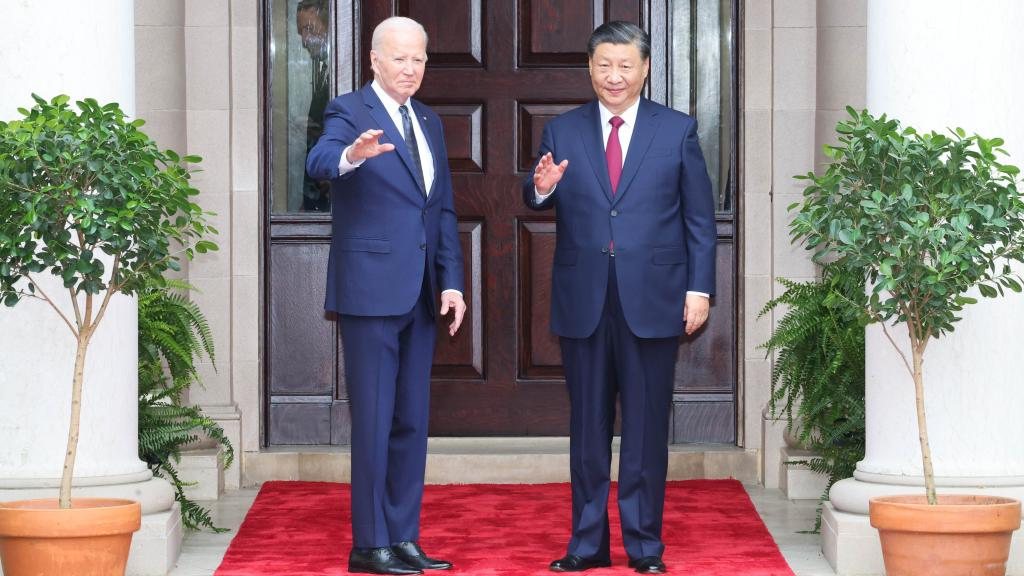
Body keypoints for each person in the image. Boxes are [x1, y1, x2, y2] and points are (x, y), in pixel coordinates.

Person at [522, 21, 717, 575]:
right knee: (586, 430)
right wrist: (541, 187)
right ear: (589, 68)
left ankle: (644, 546)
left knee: (646, 429)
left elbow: (699, 220)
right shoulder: (562, 131)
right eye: (604, 65)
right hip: (584, 300)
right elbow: (535, 194)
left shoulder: (676, 130)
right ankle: (586, 543)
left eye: (625, 65)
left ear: (645, 68)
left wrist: (698, 289)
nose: (614, 76)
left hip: (654, 299)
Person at [306, 16, 466, 576]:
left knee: (410, 423)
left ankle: (404, 537)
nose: (411, 68)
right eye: (399, 58)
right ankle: (368, 544)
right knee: (373, 421)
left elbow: (440, 208)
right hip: (371, 292)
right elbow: (319, 162)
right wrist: (352, 155)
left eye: (419, 59)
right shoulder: (349, 111)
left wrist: (451, 281)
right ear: (374, 59)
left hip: (421, 293)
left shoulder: (429, 121)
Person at [296, 0, 331, 212]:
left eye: (309, 29)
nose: (305, 40)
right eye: (301, 33)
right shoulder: (322, 69)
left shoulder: (341, 73)